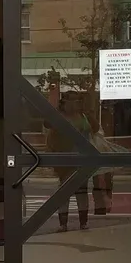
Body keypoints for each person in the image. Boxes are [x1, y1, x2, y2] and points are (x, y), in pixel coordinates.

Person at [47, 94, 91, 232]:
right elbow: (48, 127)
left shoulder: (83, 116)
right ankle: (63, 223)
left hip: (82, 158)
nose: (73, 105)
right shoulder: (60, 117)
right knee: (65, 192)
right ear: (64, 104)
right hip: (65, 158)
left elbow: (93, 130)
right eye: (70, 103)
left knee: (81, 192)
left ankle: (83, 222)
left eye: (76, 102)